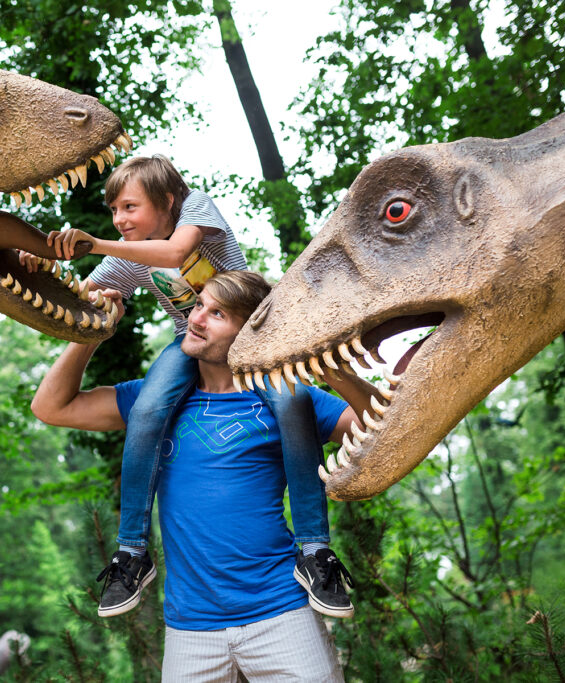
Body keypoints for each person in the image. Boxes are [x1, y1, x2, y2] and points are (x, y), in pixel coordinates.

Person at [22, 155, 353, 618]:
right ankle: (133, 549)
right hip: (192, 344)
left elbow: (177, 253)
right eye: (113, 209)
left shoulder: (196, 208)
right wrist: (34, 266)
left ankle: (314, 547)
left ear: (168, 200)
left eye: (129, 207)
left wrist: (96, 243)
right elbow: (78, 301)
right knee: (150, 407)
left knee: (292, 401)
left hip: (259, 336)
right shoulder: (128, 253)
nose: (119, 220)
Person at [31, 271, 380, 681]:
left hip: (281, 612)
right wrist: (92, 332)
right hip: (190, 628)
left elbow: (379, 422)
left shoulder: (288, 399)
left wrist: (335, 371)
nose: (196, 319)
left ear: (249, 331)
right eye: (199, 306)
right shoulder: (153, 401)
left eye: (218, 314)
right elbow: (51, 407)